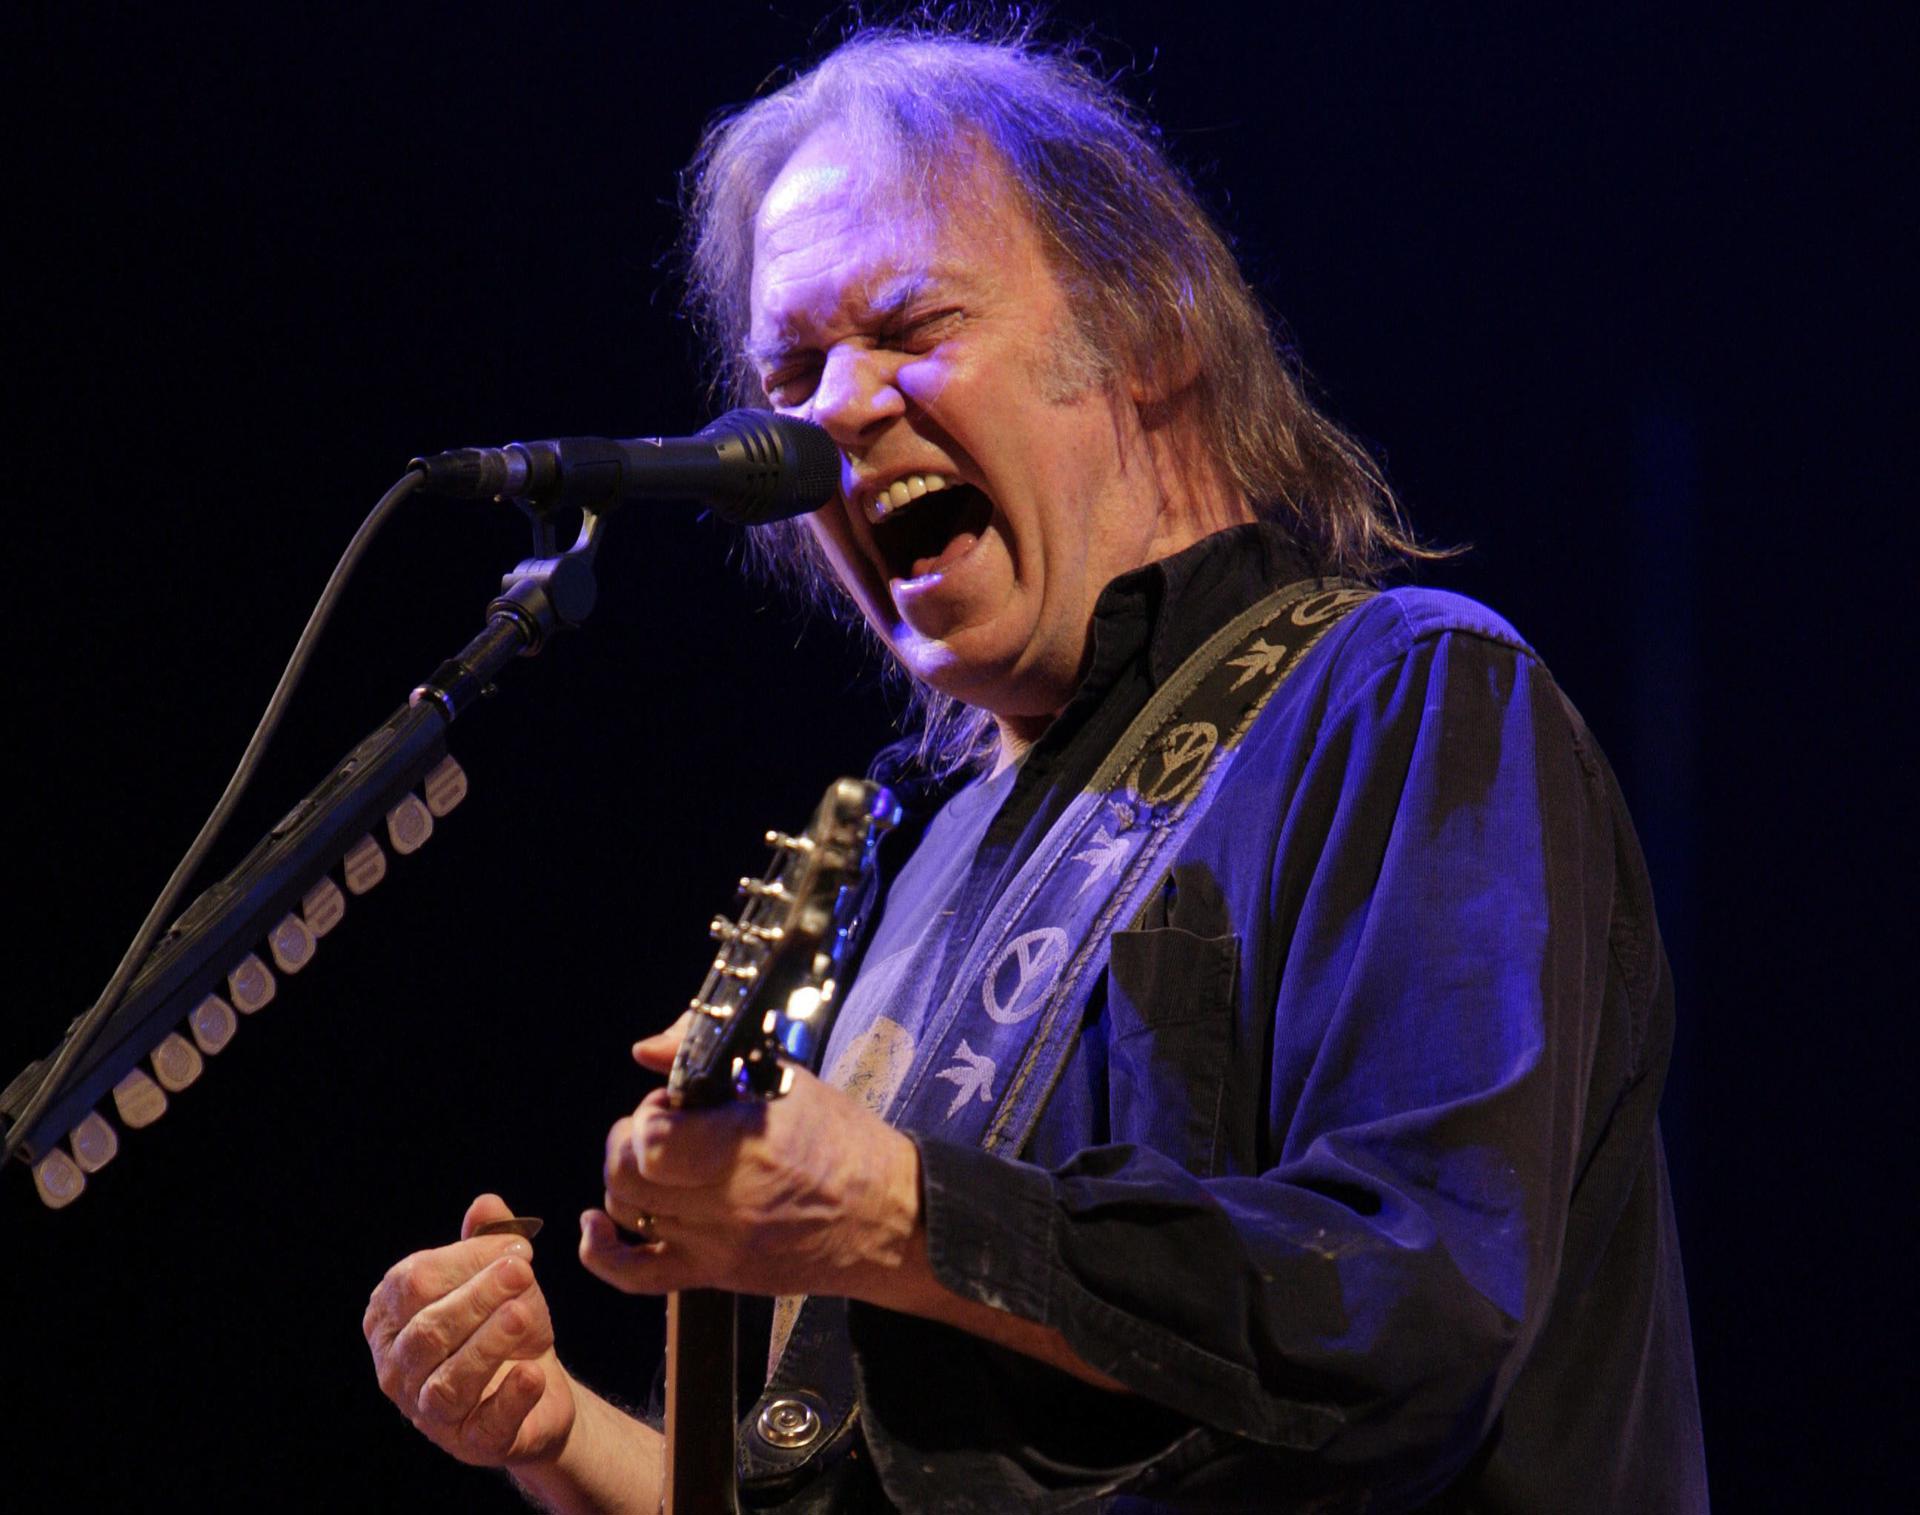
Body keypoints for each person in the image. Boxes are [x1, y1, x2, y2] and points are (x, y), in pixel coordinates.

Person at [362, 24, 1707, 1513]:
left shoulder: (1398, 700)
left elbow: (1418, 1308)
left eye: (909, 325)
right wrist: (558, 1436)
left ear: (1149, 333)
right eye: (792, 367)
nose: (830, 414)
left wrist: (888, 1209)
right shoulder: (908, 850)